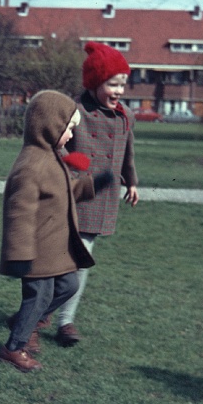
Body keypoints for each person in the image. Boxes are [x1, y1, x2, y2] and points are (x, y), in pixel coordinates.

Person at [0, 89, 113, 372]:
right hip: (35, 251)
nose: (72, 136)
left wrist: (92, 184)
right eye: (69, 129)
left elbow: (66, 190)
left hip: (54, 249)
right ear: (51, 125)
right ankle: (14, 348)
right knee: (38, 296)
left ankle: (26, 320)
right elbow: (19, 215)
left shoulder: (52, 158)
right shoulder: (31, 166)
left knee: (69, 285)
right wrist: (19, 254)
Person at [53, 41, 139, 347]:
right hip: (72, 193)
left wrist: (132, 182)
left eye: (122, 85)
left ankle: (62, 320)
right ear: (94, 82)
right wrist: (69, 165)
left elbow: (128, 153)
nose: (118, 91)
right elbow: (57, 143)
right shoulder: (75, 111)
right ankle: (48, 314)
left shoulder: (125, 115)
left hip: (102, 197)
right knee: (64, 259)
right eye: (112, 84)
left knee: (81, 259)